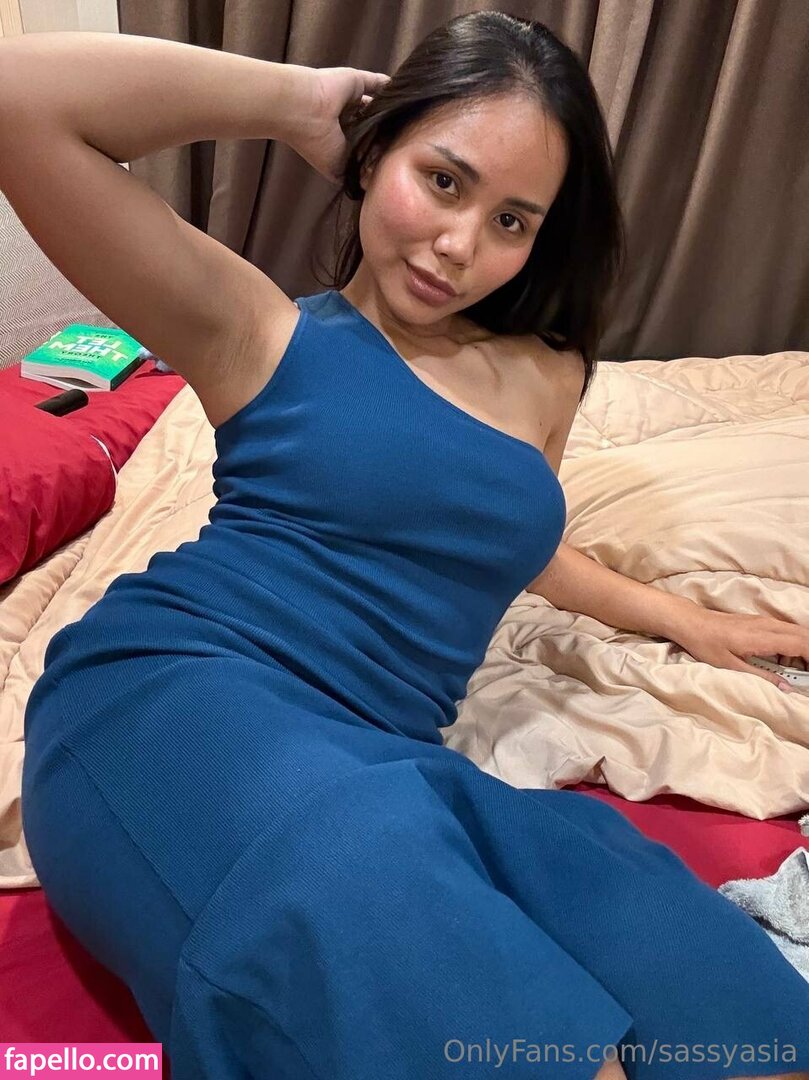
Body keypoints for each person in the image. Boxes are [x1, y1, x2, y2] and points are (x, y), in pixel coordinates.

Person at [3, 11, 808, 1080]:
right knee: (411, 932)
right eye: (441, 179)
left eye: (511, 219)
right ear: (375, 152)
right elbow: (19, 97)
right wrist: (300, 101)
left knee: (714, 994)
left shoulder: (549, 373)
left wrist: (686, 620)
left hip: (390, 757)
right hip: (173, 697)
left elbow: (493, 542)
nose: (460, 244)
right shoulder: (259, 331)